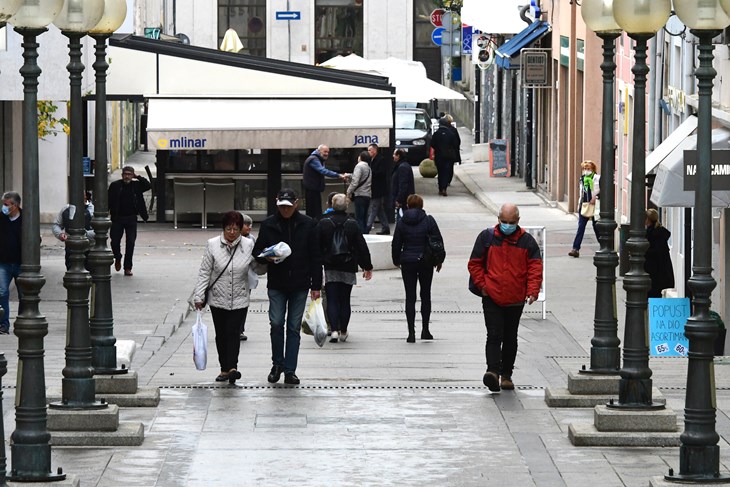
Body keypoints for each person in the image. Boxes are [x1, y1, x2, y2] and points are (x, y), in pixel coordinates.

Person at [467, 203, 543, 392]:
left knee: (510, 337)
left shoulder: (527, 242)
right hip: (492, 295)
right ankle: (492, 372)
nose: (507, 225)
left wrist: (533, 290)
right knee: (494, 335)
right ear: (498, 219)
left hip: (515, 298)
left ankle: (506, 375)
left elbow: (535, 267)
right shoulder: (487, 237)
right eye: (504, 222)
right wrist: (483, 286)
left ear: (518, 221)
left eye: (511, 222)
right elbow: (474, 263)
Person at [253, 188, 322, 385]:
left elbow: (316, 256)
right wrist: (269, 256)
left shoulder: (308, 224)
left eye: (288, 207)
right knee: (276, 323)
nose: (285, 210)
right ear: (277, 204)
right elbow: (258, 251)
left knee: (293, 327)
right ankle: (277, 364)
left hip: (300, 283)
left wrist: (316, 285)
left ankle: (290, 370)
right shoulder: (268, 224)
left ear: (296, 204)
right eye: (282, 206)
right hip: (277, 282)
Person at [193, 211, 254, 384]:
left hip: (240, 297)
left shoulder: (248, 245)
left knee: (234, 332)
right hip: (218, 297)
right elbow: (205, 271)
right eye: (229, 228)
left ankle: (233, 367)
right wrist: (199, 296)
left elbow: (257, 268)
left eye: (236, 228)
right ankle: (224, 369)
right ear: (223, 228)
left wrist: (268, 260)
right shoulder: (212, 244)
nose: (232, 232)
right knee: (221, 334)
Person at [316, 193, 373, 343]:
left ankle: (333, 329)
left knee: (332, 298)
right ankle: (343, 331)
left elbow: (316, 246)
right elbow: (361, 247)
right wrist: (367, 266)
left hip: (330, 266)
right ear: (346, 206)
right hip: (348, 266)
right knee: (345, 299)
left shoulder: (324, 223)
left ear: (331, 205)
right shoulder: (352, 223)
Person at [391, 194, 442, 343]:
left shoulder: (401, 222)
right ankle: (425, 329)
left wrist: (396, 260)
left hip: (407, 261)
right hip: (426, 261)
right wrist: (438, 260)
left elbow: (396, 243)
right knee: (426, 294)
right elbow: (437, 241)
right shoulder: (428, 220)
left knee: (410, 296)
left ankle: (411, 332)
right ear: (422, 205)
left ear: (407, 205)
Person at [108, 166, 150, 276]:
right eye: (125, 174)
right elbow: (109, 200)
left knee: (130, 243)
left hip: (131, 218)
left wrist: (138, 177)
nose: (127, 176)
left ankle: (127, 267)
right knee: (115, 241)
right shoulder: (115, 185)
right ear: (122, 175)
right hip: (117, 218)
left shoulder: (136, 185)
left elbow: (148, 185)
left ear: (132, 175)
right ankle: (117, 256)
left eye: (129, 174)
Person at [52, 191, 95, 271]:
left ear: (85, 196)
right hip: (71, 249)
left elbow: (99, 231)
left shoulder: (92, 210)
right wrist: (60, 234)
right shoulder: (65, 209)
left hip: (90, 249)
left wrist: (85, 234)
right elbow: (56, 225)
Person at [302, 145, 349, 218]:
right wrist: (338, 175)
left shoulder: (317, 159)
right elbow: (323, 171)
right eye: (325, 151)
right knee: (314, 213)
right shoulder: (314, 159)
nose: (327, 154)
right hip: (312, 190)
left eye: (328, 152)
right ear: (319, 151)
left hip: (314, 189)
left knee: (315, 212)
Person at [0, 191, 22, 335]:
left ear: (14, 205)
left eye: (6, 205)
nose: (4, 207)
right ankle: (3, 324)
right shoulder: (1, 218)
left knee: (24, 295)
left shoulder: (26, 218)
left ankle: (22, 322)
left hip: (21, 263)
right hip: (3, 262)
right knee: (2, 293)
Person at [569, 160, 600, 258]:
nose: (586, 171)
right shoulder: (582, 179)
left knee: (597, 228)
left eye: (588, 169)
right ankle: (575, 249)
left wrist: (595, 197)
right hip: (584, 205)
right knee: (581, 227)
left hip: (595, 206)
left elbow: (602, 190)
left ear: (593, 169)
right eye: (585, 169)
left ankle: (604, 246)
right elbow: (582, 192)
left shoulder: (597, 178)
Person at [645, 208, 675, 298]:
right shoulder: (659, 233)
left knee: (652, 295)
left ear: (648, 220)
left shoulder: (652, 234)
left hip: (654, 273)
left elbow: (653, 253)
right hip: (661, 273)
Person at [430, 116, 461, 196]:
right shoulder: (451, 133)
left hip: (439, 156)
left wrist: (437, 148)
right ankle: (444, 187)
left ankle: (441, 188)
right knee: (446, 171)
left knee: (440, 172)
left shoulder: (436, 134)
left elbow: (432, 144)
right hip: (448, 156)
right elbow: (456, 143)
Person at [365, 143, 391, 235]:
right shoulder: (371, 160)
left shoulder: (381, 160)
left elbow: (381, 173)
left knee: (374, 208)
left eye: (369, 150)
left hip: (378, 189)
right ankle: (385, 227)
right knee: (379, 210)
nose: (368, 152)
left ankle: (367, 227)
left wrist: (370, 172)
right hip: (375, 188)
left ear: (374, 151)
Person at [239, 213, 256, 341]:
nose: (249, 227)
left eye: (250, 225)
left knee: (244, 304)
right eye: (246, 225)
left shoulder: (252, 239)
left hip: (247, 276)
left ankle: (240, 329)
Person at [346, 151, 372, 234]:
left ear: (360, 157)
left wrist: (348, 191)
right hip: (367, 195)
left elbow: (355, 181)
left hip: (360, 194)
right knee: (364, 217)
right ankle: (365, 234)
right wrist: (349, 175)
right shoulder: (368, 167)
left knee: (359, 218)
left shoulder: (359, 166)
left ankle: (361, 237)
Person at [391, 149, 415, 225]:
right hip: (404, 199)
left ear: (398, 156)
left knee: (401, 221)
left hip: (404, 201)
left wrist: (399, 199)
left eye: (394, 154)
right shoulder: (403, 166)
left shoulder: (402, 167)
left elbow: (403, 185)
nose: (393, 156)